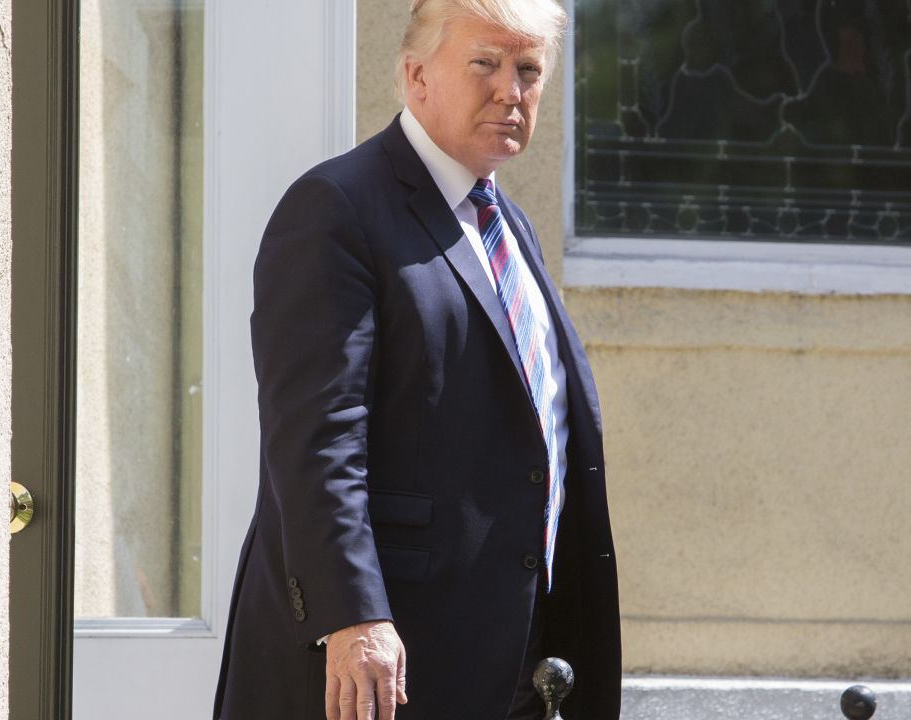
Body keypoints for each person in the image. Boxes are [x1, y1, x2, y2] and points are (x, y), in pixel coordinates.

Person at [212, 1, 621, 718]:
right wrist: (354, 616)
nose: (511, 91)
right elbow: (316, 439)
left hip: (515, 654)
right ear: (415, 76)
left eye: (529, 69)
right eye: (485, 63)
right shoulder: (338, 208)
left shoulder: (504, 224)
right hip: (381, 662)